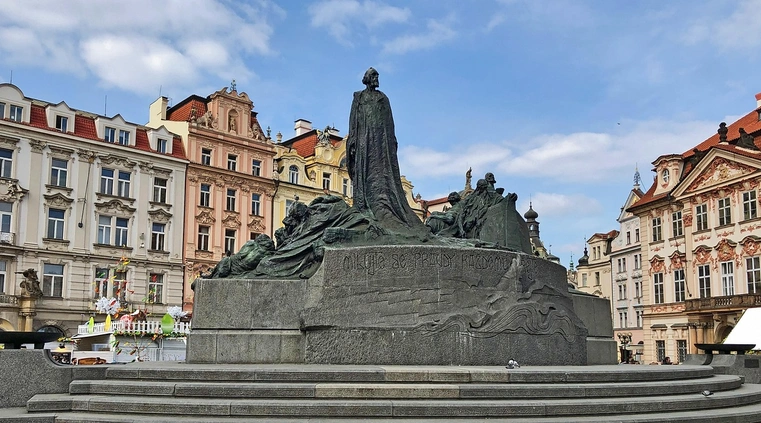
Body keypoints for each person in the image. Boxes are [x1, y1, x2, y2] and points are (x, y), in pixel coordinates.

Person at [346, 67, 426, 234]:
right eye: (373, 75)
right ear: (367, 78)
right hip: (363, 138)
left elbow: (390, 122)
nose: (376, 78)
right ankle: (364, 205)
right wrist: (352, 139)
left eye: (377, 75)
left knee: (382, 170)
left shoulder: (383, 98)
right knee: (364, 169)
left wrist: (391, 141)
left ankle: (384, 206)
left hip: (381, 140)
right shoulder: (358, 97)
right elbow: (353, 119)